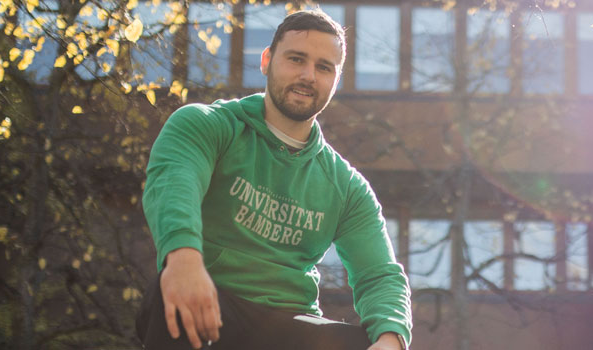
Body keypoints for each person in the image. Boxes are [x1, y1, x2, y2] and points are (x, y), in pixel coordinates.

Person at [136, 10, 411, 350]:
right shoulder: (207, 126)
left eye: (324, 67)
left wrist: (391, 338)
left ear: (335, 81)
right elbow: (175, 186)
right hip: (210, 304)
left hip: (289, 323)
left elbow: (380, 274)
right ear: (267, 60)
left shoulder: (346, 188)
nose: (308, 75)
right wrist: (183, 258)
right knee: (172, 297)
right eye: (296, 59)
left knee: (360, 343)